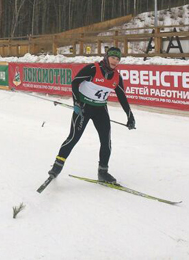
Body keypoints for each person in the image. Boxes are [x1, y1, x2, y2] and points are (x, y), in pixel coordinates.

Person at [47, 47, 136, 184]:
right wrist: (77, 103)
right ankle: (57, 167)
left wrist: (130, 116)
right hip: (84, 107)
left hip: (100, 109)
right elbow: (75, 82)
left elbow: (122, 97)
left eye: (118, 59)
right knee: (74, 138)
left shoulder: (117, 77)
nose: (115, 61)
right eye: (113, 57)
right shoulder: (93, 69)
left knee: (106, 141)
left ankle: (103, 172)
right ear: (107, 57)